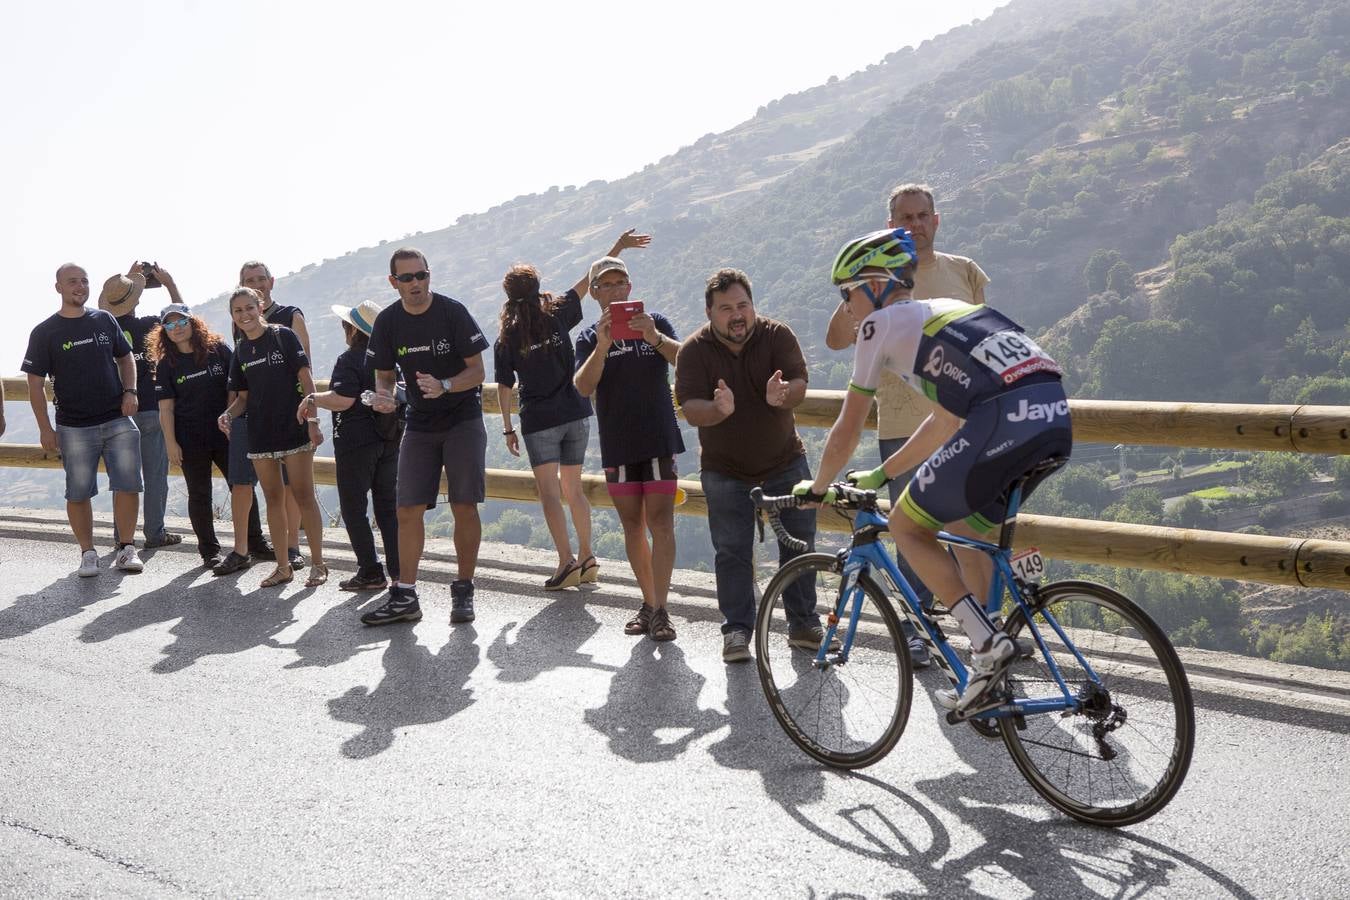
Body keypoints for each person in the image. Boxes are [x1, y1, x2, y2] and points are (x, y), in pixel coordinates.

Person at [803, 228, 1071, 713]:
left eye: (847, 294)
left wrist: (819, 487)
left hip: (1003, 419)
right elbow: (945, 421)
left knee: (906, 526)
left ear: (876, 285)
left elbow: (848, 425)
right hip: (1053, 420)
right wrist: (882, 475)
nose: (846, 308)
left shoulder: (880, 324)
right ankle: (989, 662)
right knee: (965, 529)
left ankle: (987, 645)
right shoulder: (948, 313)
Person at [822, 184, 991, 669]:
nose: (915, 224)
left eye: (922, 216)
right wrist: (860, 290)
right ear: (891, 225)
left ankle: (985, 633)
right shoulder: (873, 280)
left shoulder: (964, 271)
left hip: (959, 421)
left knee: (967, 534)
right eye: (905, 218)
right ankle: (920, 631)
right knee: (911, 533)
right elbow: (835, 339)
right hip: (903, 424)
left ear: (936, 220)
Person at [674, 268, 822, 662]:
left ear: (753, 305)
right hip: (724, 470)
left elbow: (799, 383)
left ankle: (804, 624)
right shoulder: (694, 351)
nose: (737, 315)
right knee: (732, 552)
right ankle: (737, 630)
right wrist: (717, 410)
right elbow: (690, 408)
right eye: (726, 308)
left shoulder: (777, 335)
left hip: (785, 461)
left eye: (743, 305)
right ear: (709, 312)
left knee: (800, 545)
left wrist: (785, 393)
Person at [362, 248, 491, 626]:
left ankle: (463, 589)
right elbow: (384, 375)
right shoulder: (388, 321)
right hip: (419, 422)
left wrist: (446, 384)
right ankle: (405, 595)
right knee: (407, 509)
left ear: (429, 275)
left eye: (422, 275)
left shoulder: (452, 312)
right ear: (394, 282)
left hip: (462, 418)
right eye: (407, 278)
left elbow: (478, 371)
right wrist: (384, 396)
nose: (416, 283)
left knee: (463, 505)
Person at [574, 237, 682, 642]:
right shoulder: (589, 337)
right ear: (595, 293)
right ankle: (649, 603)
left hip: (659, 439)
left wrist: (653, 337)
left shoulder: (656, 322)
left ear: (630, 287)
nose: (615, 291)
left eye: (621, 283)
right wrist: (603, 346)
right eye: (606, 285)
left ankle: (662, 609)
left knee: (662, 524)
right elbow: (583, 386)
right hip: (618, 445)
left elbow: (685, 359)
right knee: (633, 526)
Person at [22, 263, 144, 576]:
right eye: (73, 281)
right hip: (73, 426)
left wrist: (130, 391)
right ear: (58, 287)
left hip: (117, 419)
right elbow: (34, 384)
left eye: (84, 281)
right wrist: (45, 428)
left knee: (128, 485)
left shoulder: (104, 319)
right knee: (78, 493)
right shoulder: (44, 332)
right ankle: (88, 554)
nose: (80, 287)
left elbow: (126, 356)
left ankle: (127, 549)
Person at [494, 263, 596, 592]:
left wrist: (508, 428)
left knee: (550, 493)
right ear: (538, 287)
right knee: (574, 490)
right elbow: (587, 281)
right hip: (575, 411)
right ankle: (588, 557)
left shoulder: (507, 336)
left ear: (508, 294)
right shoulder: (557, 314)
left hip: (540, 420)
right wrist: (618, 248)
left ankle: (566, 562)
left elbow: (505, 386)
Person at [217, 287, 328, 588]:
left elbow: (307, 381)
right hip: (260, 435)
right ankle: (282, 567)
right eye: (238, 310)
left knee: (304, 496)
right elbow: (243, 398)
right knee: (273, 501)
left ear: (260, 306)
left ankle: (318, 564)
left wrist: (313, 422)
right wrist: (228, 414)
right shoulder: (241, 350)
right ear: (233, 316)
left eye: (249, 308)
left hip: (294, 429)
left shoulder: (283, 336)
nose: (245, 315)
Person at [146, 303, 268, 569]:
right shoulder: (166, 364)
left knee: (242, 487)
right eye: (170, 324)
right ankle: (209, 551)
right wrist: (170, 443)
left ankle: (255, 542)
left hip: (227, 433)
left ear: (193, 323)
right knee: (199, 494)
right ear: (164, 330)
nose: (177, 328)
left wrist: (233, 420)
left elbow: (236, 387)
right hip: (190, 438)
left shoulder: (218, 349)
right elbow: (166, 408)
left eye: (182, 322)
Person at [306, 299, 402, 592]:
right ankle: (399, 572)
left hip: (356, 443)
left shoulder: (349, 359)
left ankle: (370, 571)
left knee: (353, 507)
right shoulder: (390, 360)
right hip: (390, 439)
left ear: (353, 330)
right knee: (387, 508)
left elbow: (344, 399)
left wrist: (312, 399)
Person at [98, 263, 180, 550]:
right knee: (156, 476)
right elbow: (181, 319)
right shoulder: (149, 326)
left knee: (122, 479)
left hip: (118, 413)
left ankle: (122, 537)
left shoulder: (102, 330)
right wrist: (168, 283)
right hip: (152, 410)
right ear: (136, 301)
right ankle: (155, 533)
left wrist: (127, 279)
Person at [237, 260, 310, 571]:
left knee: (292, 486)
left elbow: (305, 366)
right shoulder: (242, 317)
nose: (257, 285)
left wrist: (307, 412)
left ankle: (294, 547)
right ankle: (274, 552)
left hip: (291, 413)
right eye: (249, 280)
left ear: (272, 281)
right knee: (270, 491)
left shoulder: (290, 315)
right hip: (256, 416)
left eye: (261, 279)